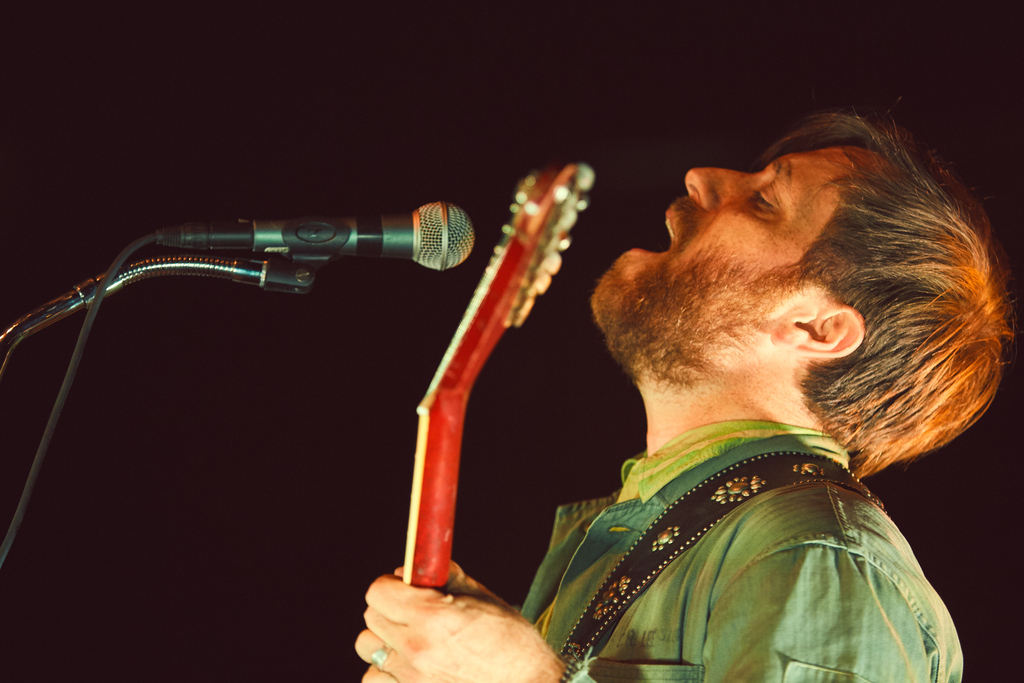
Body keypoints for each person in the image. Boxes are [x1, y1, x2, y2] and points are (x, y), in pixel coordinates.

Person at [354, 111, 1012, 682]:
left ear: (817, 326)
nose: (702, 176)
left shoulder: (822, 556)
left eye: (763, 203)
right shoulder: (629, 530)